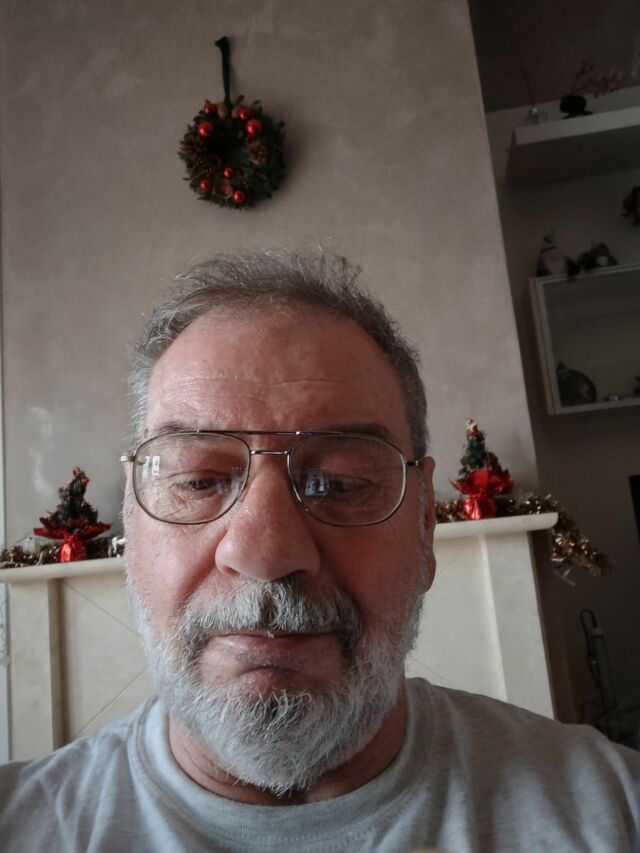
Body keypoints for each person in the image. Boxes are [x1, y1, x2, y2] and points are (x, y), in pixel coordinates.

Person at [0, 249, 639, 852]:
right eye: (197, 481)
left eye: (340, 482)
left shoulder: (614, 812)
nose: (265, 553)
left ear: (424, 525)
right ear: (131, 527)